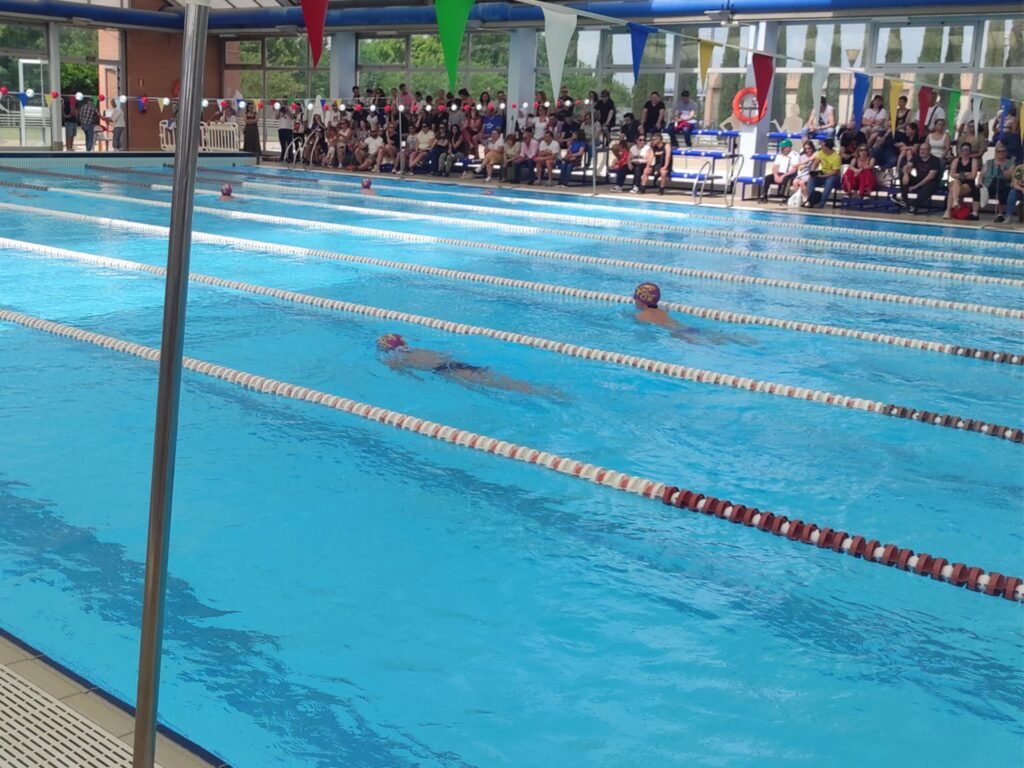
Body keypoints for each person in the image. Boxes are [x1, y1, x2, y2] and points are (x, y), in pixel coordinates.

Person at [376, 334, 557, 397]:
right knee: (503, 381)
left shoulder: (396, 359)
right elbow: (447, 354)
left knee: (502, 386)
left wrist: (416, 380)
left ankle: (544, 392)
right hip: (455, 364)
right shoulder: (419, 349)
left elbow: (407, 375)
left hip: (448, 371)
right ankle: (544, 390)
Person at [631, 283, 701, 342]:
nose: (634, 300)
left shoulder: (640, 316)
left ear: (641, 301)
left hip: (679, 334)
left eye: (636, 298)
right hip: (689, 328)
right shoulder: (663, 310)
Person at [893, 142, 941, 214]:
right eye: (921, 149)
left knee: (929, 186)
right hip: (919, 179)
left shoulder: (935, 160)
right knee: (903, 175)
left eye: (924, 149)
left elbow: (930, 177)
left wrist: (915, 187)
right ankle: (905, 200)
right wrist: (906, 174)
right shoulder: (917, 158)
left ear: (929, 150)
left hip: (930, 182)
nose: (922, 151)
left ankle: (913, 205)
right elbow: (905, 167)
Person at [944, 142, 979, 220]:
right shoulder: (956, 160)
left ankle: (948, 210)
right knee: (955, 182)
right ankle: (955, 202)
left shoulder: (973, 161)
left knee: (952, 189)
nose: (965, 152)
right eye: (964, 150)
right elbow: (951, 174)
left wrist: (959, 175)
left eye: (967, 150)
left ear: (970, 151)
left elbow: (973, 176)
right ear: (961, 151)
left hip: (968, 185)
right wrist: (965, 174)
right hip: (958, 183)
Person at [981, 143, 1015, 223]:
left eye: (1003, 151)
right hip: (988, 184)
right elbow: (982, 175)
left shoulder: (1010, 163)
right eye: (998, 151)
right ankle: (974, 213)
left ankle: (1000, 214)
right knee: (977, 189)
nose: (1001, 153)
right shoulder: (989, 162)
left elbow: (1009, 176)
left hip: (1003, 183)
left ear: (1006, 153)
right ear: (995, 152)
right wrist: (980, 183)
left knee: (1003, 189)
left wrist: (1002, 169)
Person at [805, 138, 841, 207]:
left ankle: (821, 202)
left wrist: (823, 176)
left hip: (833, 175)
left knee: (830, 181)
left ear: (827, 147)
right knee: (812, 179)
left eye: (823, 145)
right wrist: (812, 172)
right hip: (823, 173)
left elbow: (835, 172)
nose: (821, 146)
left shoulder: (836, 157)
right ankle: (811, 200)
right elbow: (815, 163)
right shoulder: (821, 152)